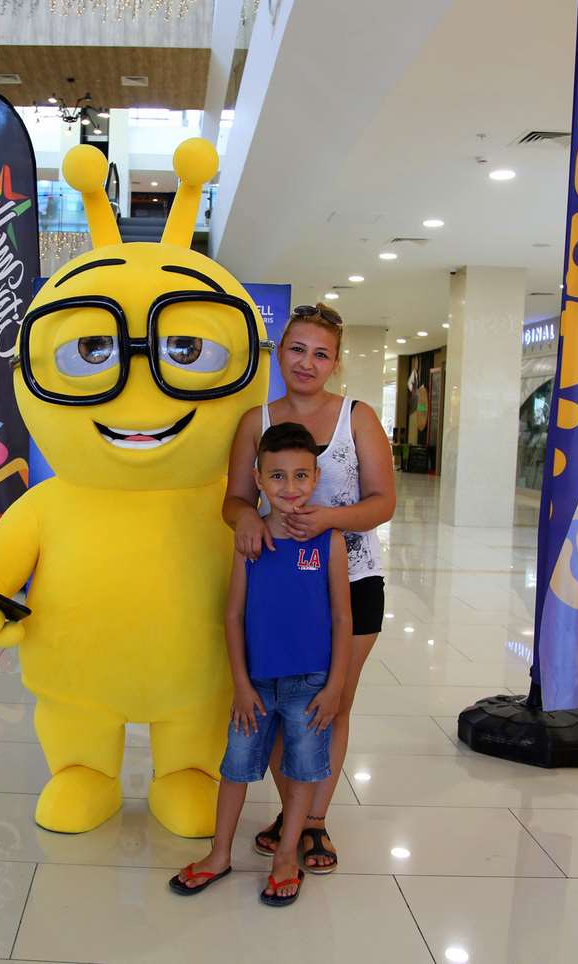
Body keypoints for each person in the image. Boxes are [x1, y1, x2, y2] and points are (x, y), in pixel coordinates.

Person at [222, 302, 396, 872]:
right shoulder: (255, 422)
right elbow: (234, 499)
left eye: (321, 354)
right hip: (277, 588)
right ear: (280, 352)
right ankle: (290, 812)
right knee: (279, 702)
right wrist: (245, 520)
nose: (307, 362)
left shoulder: (358, 418)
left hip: (353, 580)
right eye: (297, 349)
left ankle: (314, 821)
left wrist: (328, 520)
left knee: (331, 703)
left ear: (335, 363)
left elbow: (383, 502)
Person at [170, 423, 351, 905]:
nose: (289, 488)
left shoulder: (329, 542)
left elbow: (342, 617)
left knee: (301, 773)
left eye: (300, 475)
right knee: (235, 769)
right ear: (258, 479)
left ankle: (286, 856)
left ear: (316, 477)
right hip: (255, 683)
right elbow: (232, 615)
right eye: (277, 476)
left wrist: (335, 686)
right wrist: (241, 685)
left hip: (310, 684)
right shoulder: (249, 541)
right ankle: (219, 853)